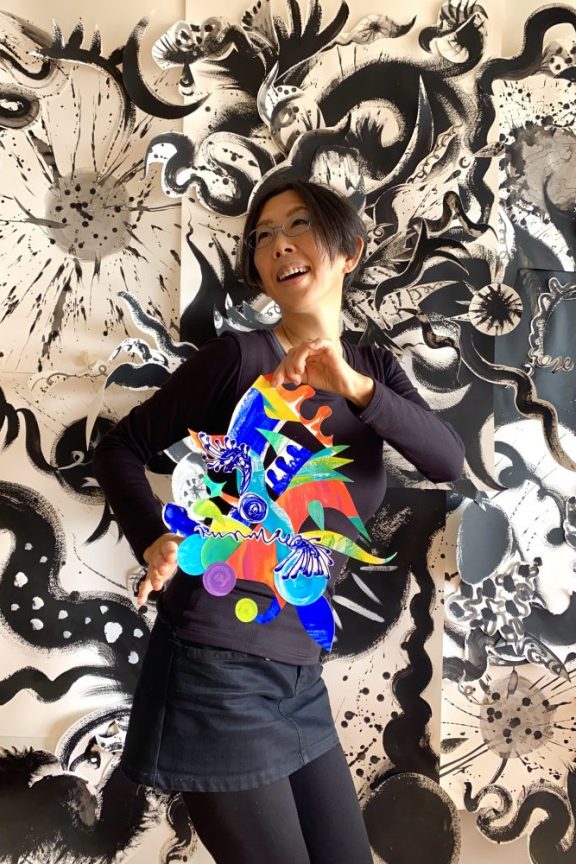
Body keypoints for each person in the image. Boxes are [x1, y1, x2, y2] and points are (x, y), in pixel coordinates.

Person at [92, 178, 465, 864]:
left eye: (299, 226)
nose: (279, 244)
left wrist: (354, 388)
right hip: (213, 667)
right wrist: (151, 538)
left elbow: (447, 460)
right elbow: (118, 449)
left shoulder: (375, 370)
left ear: (349, 251)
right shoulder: (239, 360)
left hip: (298, 673)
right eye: (263, 236)